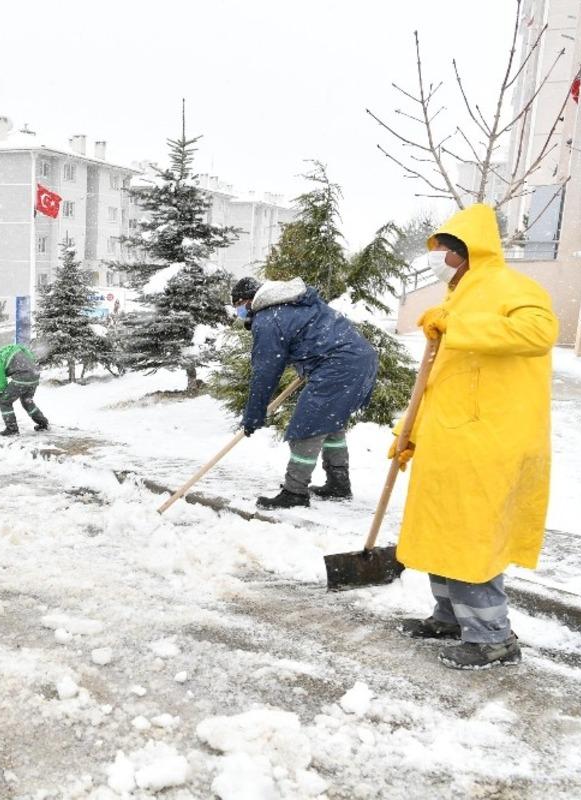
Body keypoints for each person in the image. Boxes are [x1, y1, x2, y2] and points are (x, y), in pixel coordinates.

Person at [394, 204, 558, 670]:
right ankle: (449, 618)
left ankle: (493, 638)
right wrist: (409, 433)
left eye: (444, 248)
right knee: (440, 536)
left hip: (489, 440)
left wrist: (459, 327)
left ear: (467, 250)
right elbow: (442, 379)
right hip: (451, 440)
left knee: (470, 540)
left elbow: (539, 332)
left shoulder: (512, 288)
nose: (437, 256)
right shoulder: (457, 297)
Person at [233, 275, 378, 509]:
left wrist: (253, 415)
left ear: (247, 301)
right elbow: (318, 333)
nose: (238, 312)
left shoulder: (269, 318)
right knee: (330, 421)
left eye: (238, 306)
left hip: (338, 364)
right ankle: (338, 484)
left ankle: (295, 492)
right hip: (360, 358)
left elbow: (265, 372)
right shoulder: (294, 304)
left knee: (306, 427)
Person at [0, 343, 49, 436]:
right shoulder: (9, 348)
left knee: (4, 400)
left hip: (22, 378)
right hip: (34, 375)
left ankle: (12, 430)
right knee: (27, 401)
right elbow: (26, 351)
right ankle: (43, 423)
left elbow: (1, 387)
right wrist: (30, 368)